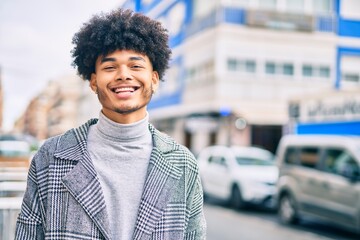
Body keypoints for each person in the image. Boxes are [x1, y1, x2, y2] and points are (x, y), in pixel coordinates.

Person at [15, 8, 206, 240]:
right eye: (109, 67)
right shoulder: (50, 157)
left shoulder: (183, 164)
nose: (123, 75)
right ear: (93, 82)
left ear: (154, 80)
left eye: (136, 66)